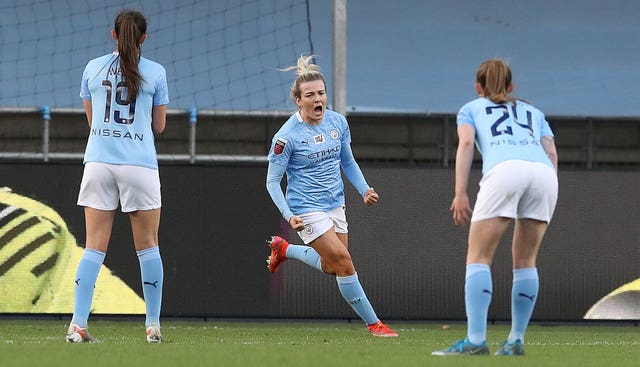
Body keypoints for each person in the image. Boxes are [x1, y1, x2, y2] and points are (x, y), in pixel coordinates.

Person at [264, 55, 398, 337]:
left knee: (331, 265)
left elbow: (347, 161)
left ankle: (285, 250)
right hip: (305, 209)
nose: (317, 99)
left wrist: (365, 190)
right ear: (298, 101)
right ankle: (375, 324)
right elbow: (272, 182)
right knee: (345, 263)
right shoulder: (286, 137)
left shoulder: (337, 122)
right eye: (310, 95)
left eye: (321, 93)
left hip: (336, 205)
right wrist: (290, 216)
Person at [432, 59, 558, 356]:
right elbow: (551, 150)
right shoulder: (534, 112)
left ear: (478, 87)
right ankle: (516, 340)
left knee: (479, 257)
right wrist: (549, 188)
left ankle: (476, 341)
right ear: (512, 86)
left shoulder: (471, 108)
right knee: (526, 261)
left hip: (504, 172)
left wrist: (460, 193)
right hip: (544, 175)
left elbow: (465, 145)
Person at [66, 9, 169, 343]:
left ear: (113, 34)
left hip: (98, 162)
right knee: (149, 246)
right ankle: (152, 325)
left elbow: (92, 120)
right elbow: (159, 126)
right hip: (139, 166)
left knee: (94, 247)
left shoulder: (92, 68)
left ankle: (78, 325)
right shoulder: (156, 72)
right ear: (144, 39)